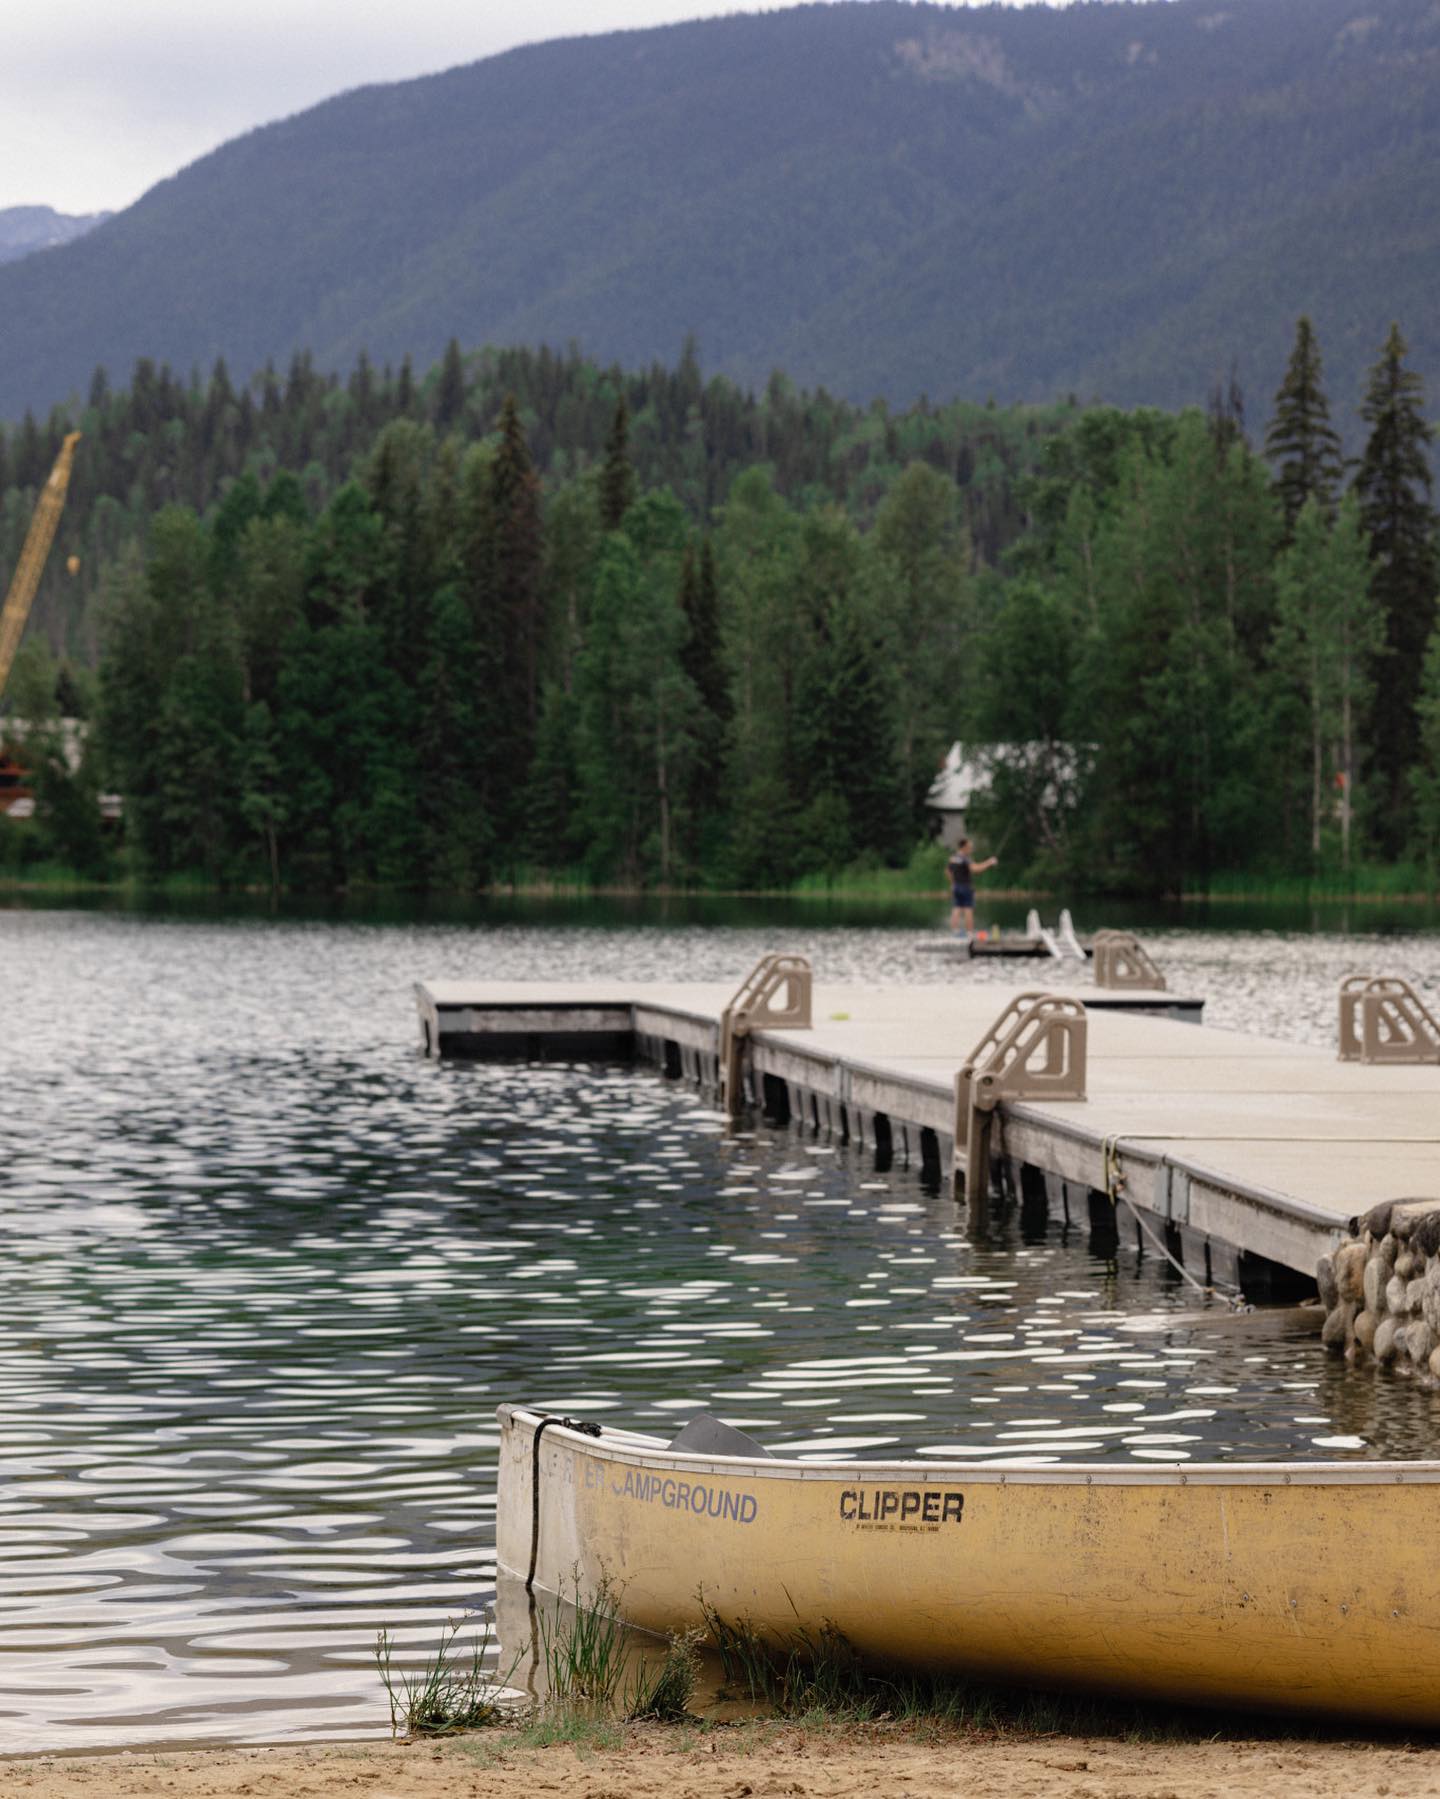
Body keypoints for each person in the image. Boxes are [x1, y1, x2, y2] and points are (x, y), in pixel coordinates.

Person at [946, 836, 997, 937]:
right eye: (969, 847)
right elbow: (975, 869)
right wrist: (989, 862)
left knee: (956, 908)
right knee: (968, 909)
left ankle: (953, 932)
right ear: (964, 847)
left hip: (956, 887)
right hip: (965, 887)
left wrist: (953, 883)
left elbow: (947, 871)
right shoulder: (965, 858)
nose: (971, 849)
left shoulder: (954, 858)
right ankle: (969, 934)